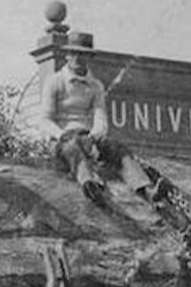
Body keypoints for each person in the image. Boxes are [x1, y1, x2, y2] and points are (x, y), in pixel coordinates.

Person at [36, 28, 167, 205]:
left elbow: (100, 117)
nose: (77, 58)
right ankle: (90, 184)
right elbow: (45, 119)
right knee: (72, 148)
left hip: (86, 137)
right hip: (61, 140)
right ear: (66, 55)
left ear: (89, 57)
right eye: (73, 53)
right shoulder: (55, 81)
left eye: (82, 54)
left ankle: (146, 188)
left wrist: (96, 134)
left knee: (117, 149)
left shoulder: (95, 85)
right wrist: (61, 134)